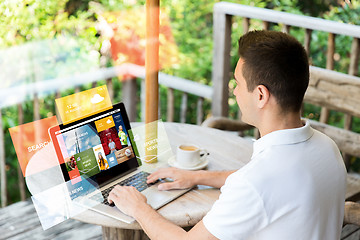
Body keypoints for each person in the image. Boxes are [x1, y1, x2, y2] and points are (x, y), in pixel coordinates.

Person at [108, 30, 347, 239]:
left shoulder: (257, 181)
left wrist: (138, 207)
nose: (234, 91)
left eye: (238, 83)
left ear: (261, 95)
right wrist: (197, 177)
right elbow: (270, 184)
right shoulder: (327, 148)